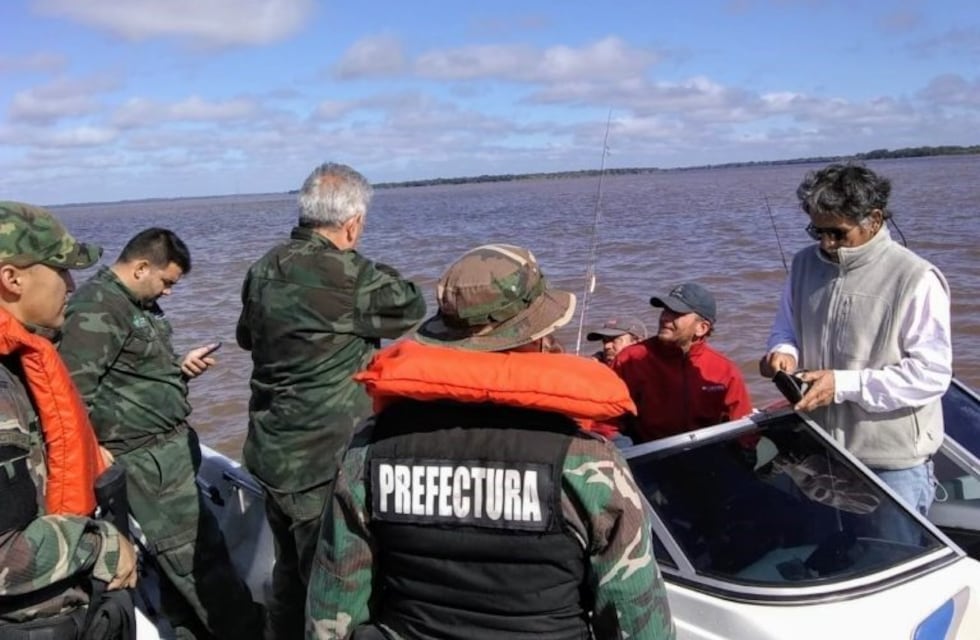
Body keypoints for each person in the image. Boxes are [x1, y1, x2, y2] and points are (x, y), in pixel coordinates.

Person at [306, 243, 675, 640]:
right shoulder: (589, 462)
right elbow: (639, 625)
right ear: (535, 338)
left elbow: (332, 611)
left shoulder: (370, 448)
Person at [237, 162, 426, 639]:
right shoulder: (351, 275)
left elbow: (246, 336)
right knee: (332, 583)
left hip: (272, 449)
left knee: (288, 575)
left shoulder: (263, 268)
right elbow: (411, 304)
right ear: (353, 222)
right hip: (322, 460)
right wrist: (357, 257)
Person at [58, 228, 263, 639]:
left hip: (167, 450)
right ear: (140, 268)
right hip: (148, 462)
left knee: (187, 559)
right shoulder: (96, 309)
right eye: (166, 282)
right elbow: (74, 397)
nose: (169, 292)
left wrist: (180, 370)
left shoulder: (133, 304)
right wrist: (96, 455)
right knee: (200, 562)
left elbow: (133, 377)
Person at [760, 162, 951, 531]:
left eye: (837, 232)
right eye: (817, 230)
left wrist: (842, 384)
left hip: (890, 463)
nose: (826, 243)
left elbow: (931, 375)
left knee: (898, 564)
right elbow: (786, 328)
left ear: (874, 219)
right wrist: (783, 352)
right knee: (830, 558)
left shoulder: (915, 277)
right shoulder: (803, 265)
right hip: (817, 451)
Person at [0, 201, 138, 636]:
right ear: (12, 278)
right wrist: (101, 544)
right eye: (61, 270)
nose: (72, 284)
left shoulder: (17, 361)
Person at [610, 282, 753, 443]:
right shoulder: (630, 359)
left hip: (707, 453)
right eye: (665, 310)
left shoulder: (725, 371)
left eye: (676, 313)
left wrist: (745, 450)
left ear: (702, 328)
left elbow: (743, 428)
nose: (665, 318)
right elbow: (605, 419)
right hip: (646, 453)